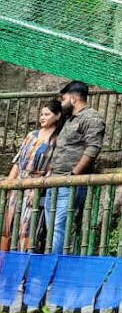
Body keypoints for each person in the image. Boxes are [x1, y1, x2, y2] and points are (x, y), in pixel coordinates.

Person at [48, 81, 105, 254]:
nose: (61, 103)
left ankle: (54, 268)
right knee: (51, 228)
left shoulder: (92, 118)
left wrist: (74, 174)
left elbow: (93, 148)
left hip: (70, 182)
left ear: (73, 99)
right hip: (54, 181)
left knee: (59, 227)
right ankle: (52, 264)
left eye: (63, 99)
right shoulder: (69, 119)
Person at [1, 97, 64, 252]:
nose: (42, 117)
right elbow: (18, 160)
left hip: (35, 187)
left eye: (47, 114)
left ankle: (22, 267)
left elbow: (52, 167)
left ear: (57, 116)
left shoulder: (57, 140)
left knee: (27, 228)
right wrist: (9, 183)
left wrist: (38, 188)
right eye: (41, 114)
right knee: (7, 226)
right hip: (17, 184)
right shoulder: (31, 135)